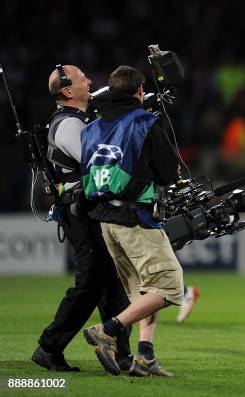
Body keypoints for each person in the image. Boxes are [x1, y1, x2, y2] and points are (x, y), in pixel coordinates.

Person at [80, 65, 183, 376]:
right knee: (169, 287)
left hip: (105, 219)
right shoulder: (146, 122)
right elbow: (168, 173)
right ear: (139, 91)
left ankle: (145, 357)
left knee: (143, 291)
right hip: (135, 216)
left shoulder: (91, 128)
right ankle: (108, 330)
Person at [32, 65, 132, 373]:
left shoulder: (78, 120)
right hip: (81, 213)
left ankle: (119, 353)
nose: (89, 81)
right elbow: (97, 161)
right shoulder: (67, 126)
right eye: (81, 79)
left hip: (89, 211)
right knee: (92, 283)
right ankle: (49, 347)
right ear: (67, 91)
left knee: (110, 284)